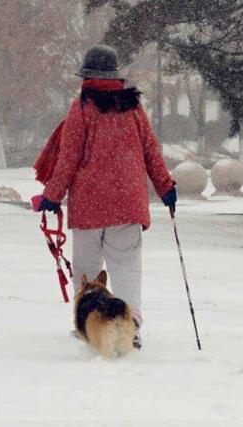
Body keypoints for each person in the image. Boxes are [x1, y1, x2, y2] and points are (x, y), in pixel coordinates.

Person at [35, 45, 177, 349]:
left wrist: (52, 195)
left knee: (86, 268)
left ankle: (87, 324)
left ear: (86, 75)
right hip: (128, 203)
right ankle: (130, 325)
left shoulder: (82, 108)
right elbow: (151, 150)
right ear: (115, 76)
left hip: (88, 205)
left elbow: (68, 158)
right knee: (126, 266)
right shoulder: (133, 108)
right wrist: (165, 186)